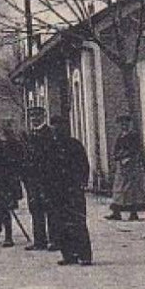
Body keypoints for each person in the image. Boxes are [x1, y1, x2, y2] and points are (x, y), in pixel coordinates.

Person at [48, 116, 93, 266]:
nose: (57, 130)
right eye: (54, 127)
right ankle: (68, 254)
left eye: (59, 127)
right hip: (56, 190)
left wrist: (81, 182)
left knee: (78, 222)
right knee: (59, 223)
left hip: (73, 189)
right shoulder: (50, 146)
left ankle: (84, 255)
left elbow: (84, 165)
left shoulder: (75, 145)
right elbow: (45, 169)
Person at [21, 106, 58, 252]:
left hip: (46, 178)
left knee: (50, 209)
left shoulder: (49, 134)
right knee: (35, 209)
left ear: (44, 116)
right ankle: (39, 240)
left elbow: (50, 157)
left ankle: (55, 240)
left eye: (37, 116)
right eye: (31, 117)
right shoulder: (30, 135)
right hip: (32, 179)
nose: (34, 119)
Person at [107, 112, 145, 222]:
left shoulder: (133, 136)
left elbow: (135, 150)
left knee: (132, 190)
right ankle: (116, 212)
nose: (124, 126)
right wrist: (118, 156)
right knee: (119, 189)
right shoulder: (120, 137)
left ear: (129, 124)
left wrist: (127, 156)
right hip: (121, 166)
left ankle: (133, 213)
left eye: (125, 123)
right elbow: (116, 150)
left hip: (132, 165)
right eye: (122, 124)